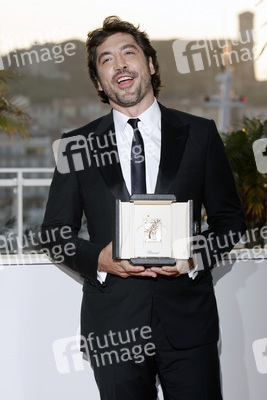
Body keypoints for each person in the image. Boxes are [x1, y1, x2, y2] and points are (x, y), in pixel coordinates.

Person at [41, 16, 246, 400]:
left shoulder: (200, 134)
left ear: (150, 64)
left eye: (128, 53)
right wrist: (99, 259)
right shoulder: (76, 145)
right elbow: (54, 233)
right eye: (105, 60)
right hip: (113, 328)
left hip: (188, 323)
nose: (119, 64)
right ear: (99, 82)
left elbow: (229, 220)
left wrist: (192, 257)